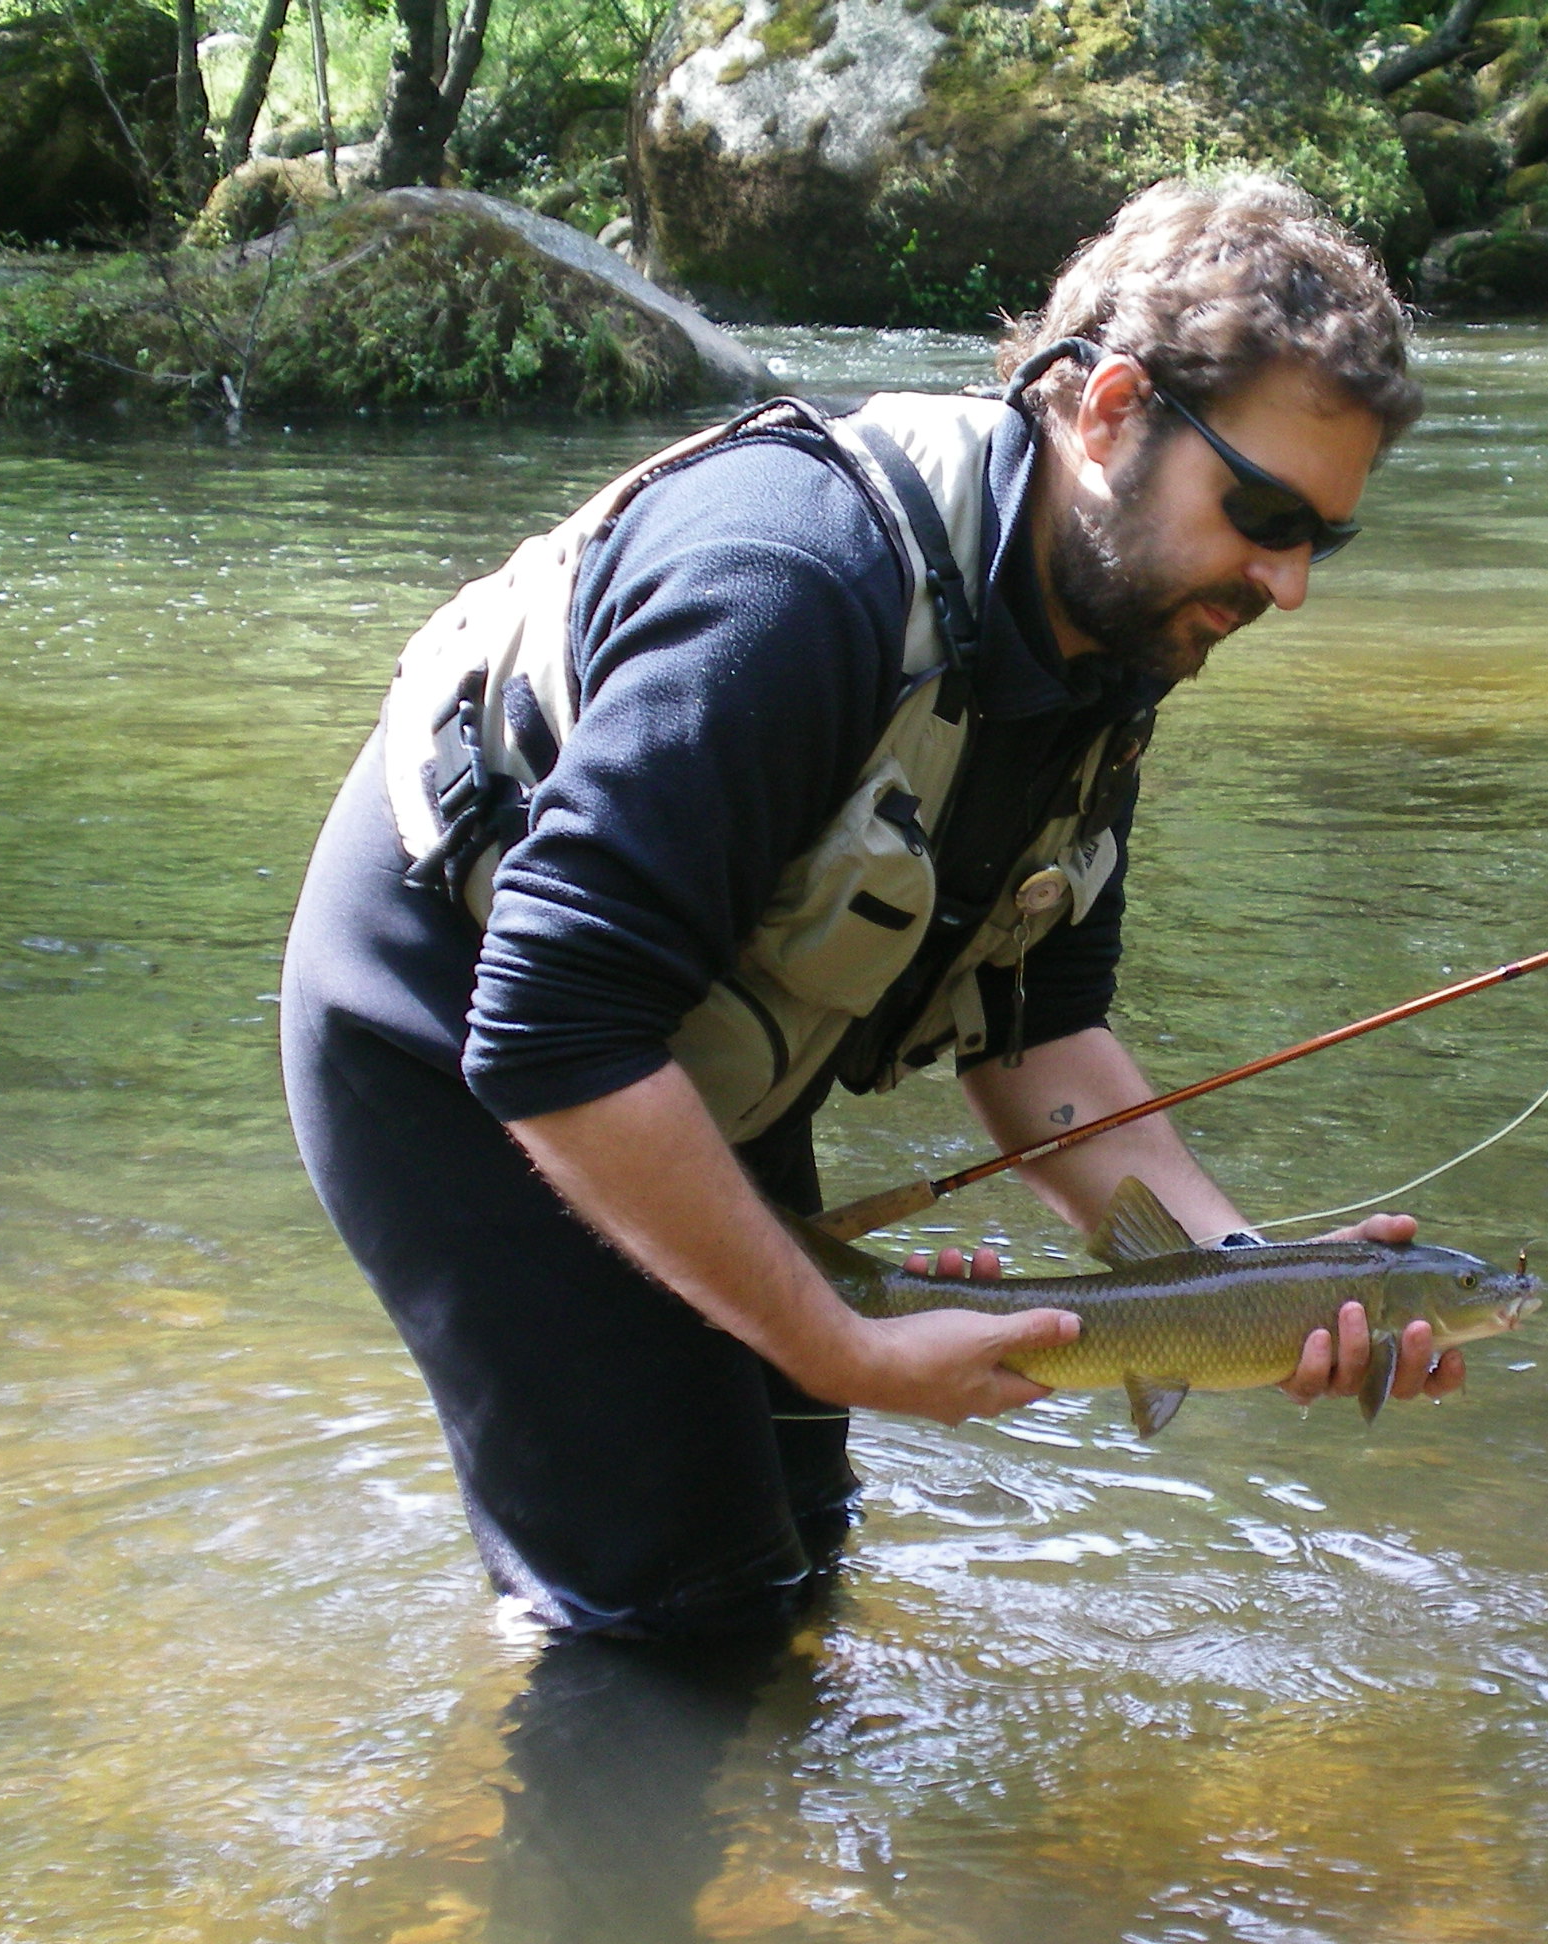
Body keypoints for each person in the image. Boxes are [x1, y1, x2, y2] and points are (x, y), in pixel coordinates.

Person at [280, 175, 1464, 1641]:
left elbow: (1039, 1039)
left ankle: (782, 1863)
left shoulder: (1109, 650)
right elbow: (548, 1029)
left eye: (1321, 542)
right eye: (1264, 513)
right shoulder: (789, 584)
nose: (1287, 583)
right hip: (454, 1038)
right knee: (678, 1602)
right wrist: (832, 1340)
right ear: (1105, 413)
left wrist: (1257, 1282)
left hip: (685, 1044)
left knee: (797, 1529)